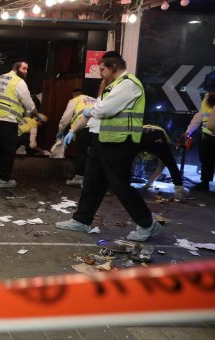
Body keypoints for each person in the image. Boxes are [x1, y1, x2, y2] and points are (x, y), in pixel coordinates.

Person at [56, 51, 163, 242]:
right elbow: (97, 112)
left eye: (102, 68)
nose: (100, 72)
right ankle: (82, 220)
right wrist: (75, 129)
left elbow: (104, 109)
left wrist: (89, 111)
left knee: (119, 184)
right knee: (92, 181)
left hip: (119, 142)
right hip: (103, 139)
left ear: (113, 66)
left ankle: (147, 223)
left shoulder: (128, 84)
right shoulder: (114, 86)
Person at [0, 61, 40, 188]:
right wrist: (37, 115)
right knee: (8, 151)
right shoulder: (19, 82)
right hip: (8, 120)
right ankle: (4, 179)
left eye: (27, 69)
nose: (26, 71)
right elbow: (29, 104)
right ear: (16, 68)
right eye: (24, 68)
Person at [57, 89, 97, 186]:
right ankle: (93, 179)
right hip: (97, 128)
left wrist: (60, 131)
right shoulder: (94, 99)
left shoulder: (74, 100)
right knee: (94, 154)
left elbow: (65, 118)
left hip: (83, 127)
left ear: (75, 95)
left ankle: (79, 178)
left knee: (81, 153)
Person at [183, 71, 215, 192]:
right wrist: (188, 131)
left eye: (213, 90)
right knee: (206, 161)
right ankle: (204, 183)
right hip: (207, 135)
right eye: (210, 90)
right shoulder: (207, 98)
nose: (211, 92)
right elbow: (199, 115)